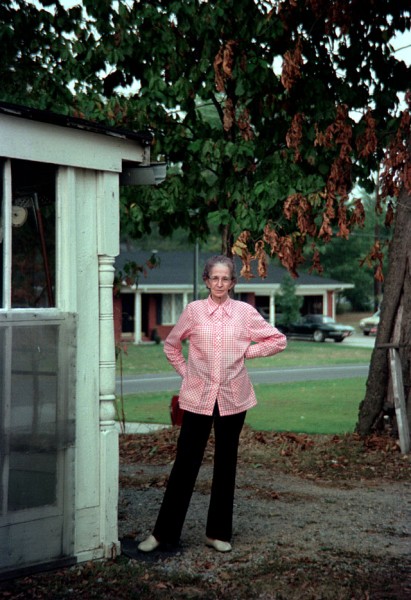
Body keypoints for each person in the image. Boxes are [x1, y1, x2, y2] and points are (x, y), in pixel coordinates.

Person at [138, 255, 287, 553]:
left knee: (225, 464)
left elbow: (278, 340)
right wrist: (188, 374)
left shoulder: (245, 313)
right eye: (214, 278)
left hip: (234, 399)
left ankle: (217, 532)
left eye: (225, 279)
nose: (220, 284)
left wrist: (248, 353)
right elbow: (172, 346)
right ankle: (163, 534)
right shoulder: (193, 312)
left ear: (233, 282)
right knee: (185, 464)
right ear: (206, 280)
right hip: (197, 399)